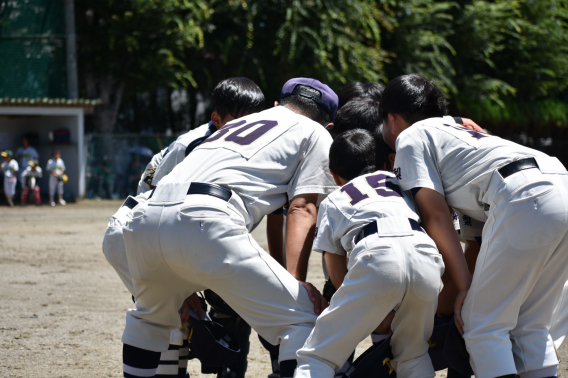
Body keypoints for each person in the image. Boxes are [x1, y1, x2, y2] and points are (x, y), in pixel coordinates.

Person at [119, 77, 337, 378]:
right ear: (328, 125)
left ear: (278, 105)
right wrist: (295, 282)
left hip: (145, 215)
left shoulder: (239, 123)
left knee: (151, 320)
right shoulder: (316, 133)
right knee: (302, 319)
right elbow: (302, 207)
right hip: (205, 217)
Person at [381, 73, 568, 378]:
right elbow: (476, 235)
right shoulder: (459, 128)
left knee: (481, 325)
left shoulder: (410, 135)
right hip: (558, 180)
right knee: (530, 325)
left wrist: (466, 287)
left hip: (525, 194)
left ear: (392, 119)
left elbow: (435, 215)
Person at [104, 77, 266, 378]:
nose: (248, 130)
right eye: (238, 121)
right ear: (216, 119)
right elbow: (161, 205)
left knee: (184, 316)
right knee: (173, 318)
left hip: (172, 235)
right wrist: (180, 284)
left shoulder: (241, 144)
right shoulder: (191, 146)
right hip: (138, 235)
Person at [294, 129, 443, 378]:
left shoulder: (334, 199)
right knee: (413, 354)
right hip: (425, 254)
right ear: (384, 163)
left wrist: (378, 311)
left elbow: (338, 276)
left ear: (334, 175)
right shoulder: (399, 183)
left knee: (318, 356)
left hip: (376, 252)